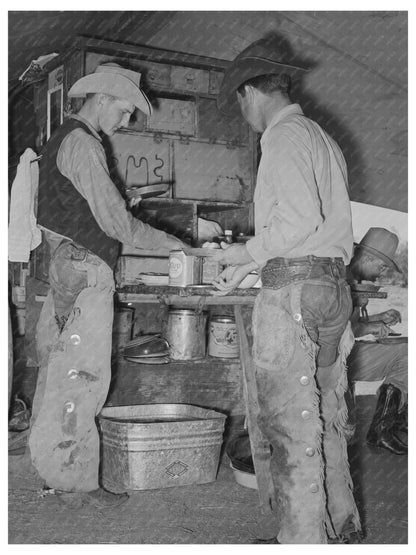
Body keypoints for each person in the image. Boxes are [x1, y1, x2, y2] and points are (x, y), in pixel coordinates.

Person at [211, 37, 360, 543]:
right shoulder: (322, 137)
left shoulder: (281, 135)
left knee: (291, 429)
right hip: (331, 291)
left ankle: (301, 542)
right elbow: (316, 234)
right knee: (326, 414)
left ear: (250, 92)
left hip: (294, 298)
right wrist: (255, 265)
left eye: (240, 102)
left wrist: (242, 253)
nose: (244, 113)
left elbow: (296, 224)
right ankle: (341, 527)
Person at [28, 63, 186, 509]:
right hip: (85, 266)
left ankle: (50, 469)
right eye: (125, 109)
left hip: (63, 262)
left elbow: (78, 205)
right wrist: (184, 249)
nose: (128, 120)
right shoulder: (84, 144)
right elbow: (120, 226)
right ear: (101, 99)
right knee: (83, 377)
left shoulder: (67, 137)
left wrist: (121, 201)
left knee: (58, 372)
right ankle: (74, 487)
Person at [347, 227, 407, 455]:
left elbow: (347, 325)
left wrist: (377, 318)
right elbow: (337, 332)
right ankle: (382, 430)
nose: (382, 273)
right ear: (368, 257)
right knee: (408, 356)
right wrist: (370, 326)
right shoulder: (341, 280)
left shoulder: (351, 277)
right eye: (381, 266)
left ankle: (391, 424)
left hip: (343, 352)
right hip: (334, 361)